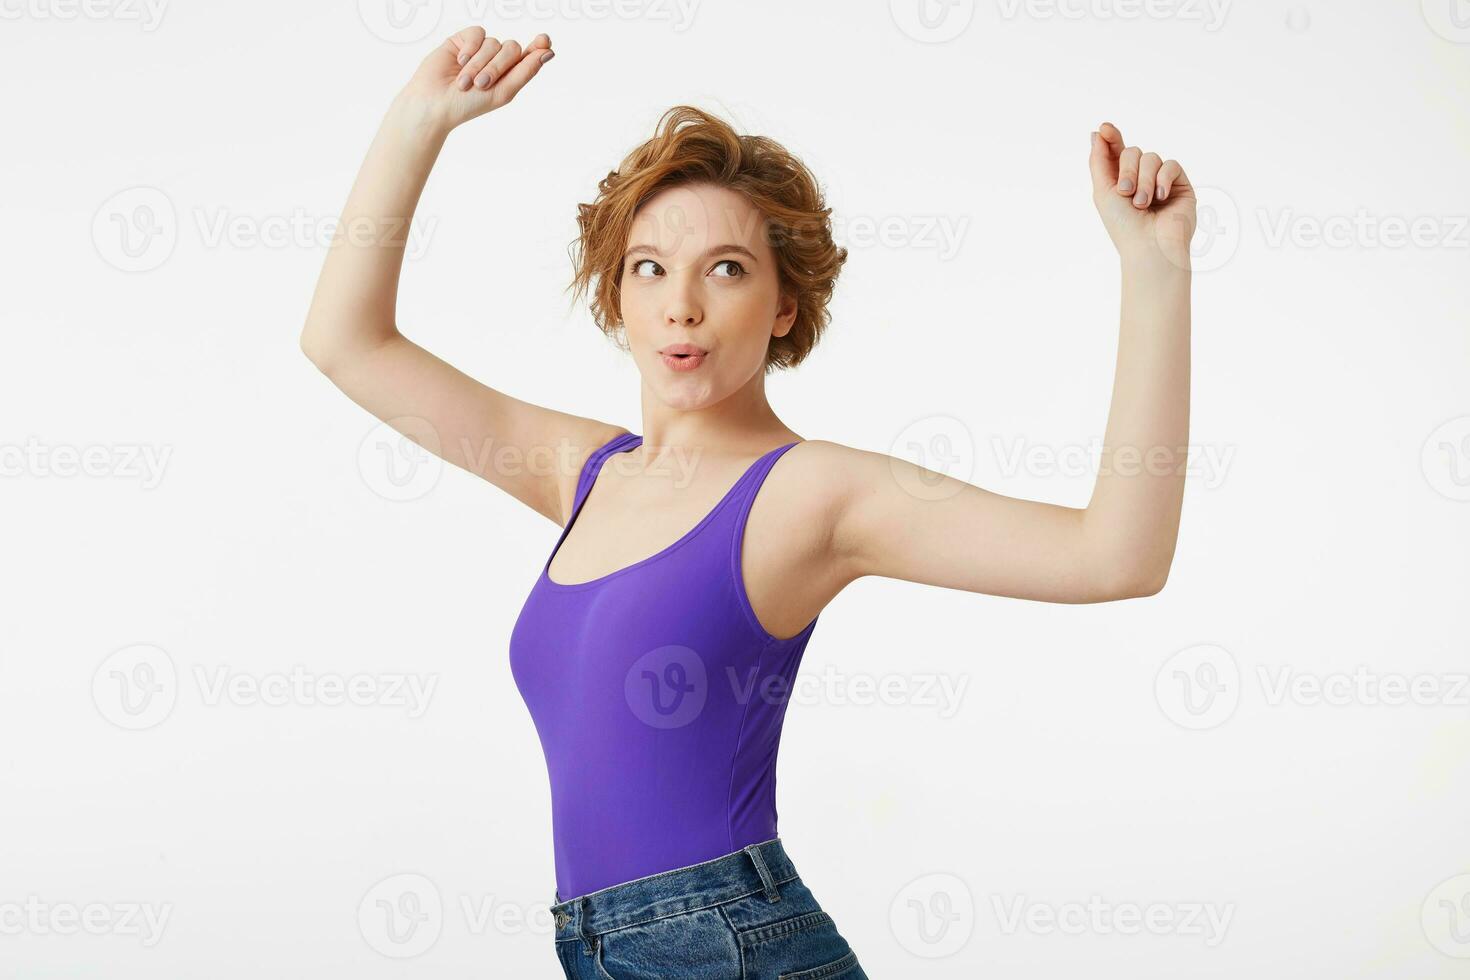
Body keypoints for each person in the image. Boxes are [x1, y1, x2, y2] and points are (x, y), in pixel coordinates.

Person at [300, 25, 1195, 980]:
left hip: (727, 944)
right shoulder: (585, 472)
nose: (682, 304)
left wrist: (1156, 271)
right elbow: (345, 343)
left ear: (781, 304)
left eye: (725, 269)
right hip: (598, 947)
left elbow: (1116, 558)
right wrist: (418, 122)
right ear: (618, 299)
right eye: (650, 268)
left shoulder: (812, 492)